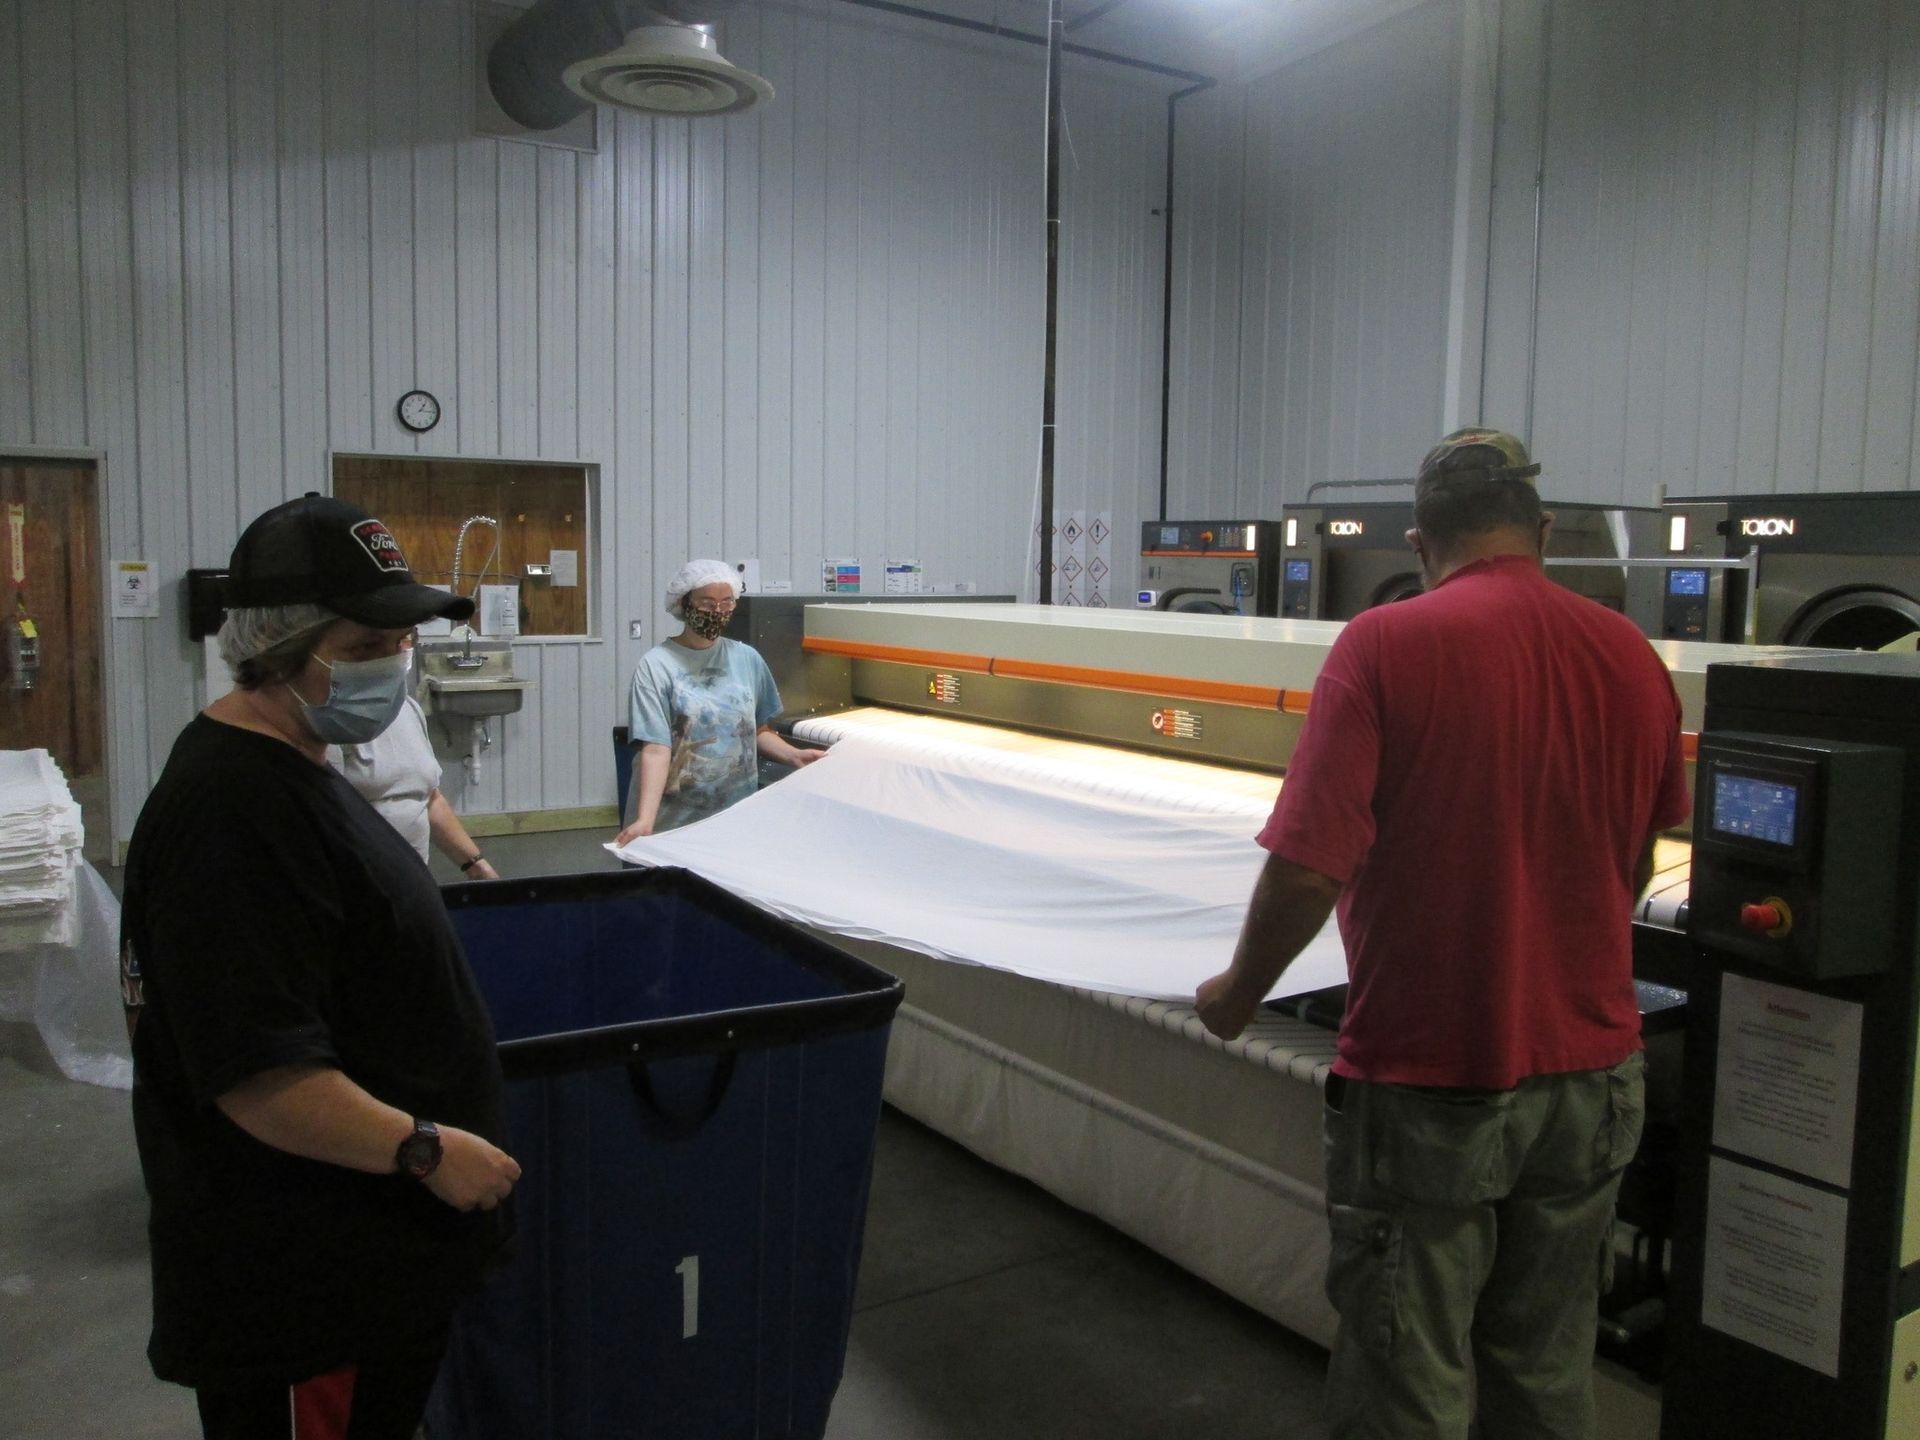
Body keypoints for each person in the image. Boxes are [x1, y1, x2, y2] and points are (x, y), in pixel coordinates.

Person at [1194, 429, 1689, 1440]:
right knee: (1547, 1369)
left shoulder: (1385, 646)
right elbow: (1633, 867)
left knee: (1406, 1378)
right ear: (1542, 530)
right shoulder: (1633, 658)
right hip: (1594, 1081)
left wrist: (1237, 995)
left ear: (1421, 541)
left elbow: (1307, 866)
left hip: (1433, 1086)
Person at [120, 494, 521, 1440]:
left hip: (362, 1261)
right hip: (308, 1284)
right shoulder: (231, 811)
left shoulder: (297, 762)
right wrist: (426, 1148)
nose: (394, 663)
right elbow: (260, 1076)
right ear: (279, 646)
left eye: (400, 642)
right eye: (368, 645)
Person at [615, 558, 823, 844]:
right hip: (675, 822)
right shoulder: (656, 666)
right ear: (684, 604)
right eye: (707, 602)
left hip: (735, 819)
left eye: (726, 602)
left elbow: (757, 730)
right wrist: (645, 820)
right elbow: (655, 749)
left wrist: (793, 755)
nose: (717, 611)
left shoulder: (747, 659)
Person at [329, 649, 501, 880]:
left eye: (405, 638)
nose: (399, 649)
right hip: (359, 879)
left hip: (411, 881)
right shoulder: (329, 718)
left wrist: (476, 865)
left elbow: (430, 798)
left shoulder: (407, 708)